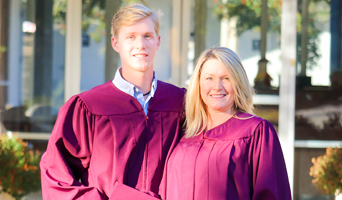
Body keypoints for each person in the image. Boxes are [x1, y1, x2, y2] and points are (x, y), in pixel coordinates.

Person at [40, 4, 185, 200]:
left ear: (158, 42)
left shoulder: (180, 103)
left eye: (147, 36)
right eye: (131, 37)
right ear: (115, 43)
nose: (141, 44)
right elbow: (56, 175)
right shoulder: (89, 107)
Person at [164, 47, 292, 200]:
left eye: (226, 78)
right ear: (198, 84)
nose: (217, 87)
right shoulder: (183, 131)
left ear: (238, 83)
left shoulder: (256, 132)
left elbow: (271, 195)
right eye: (209, 78)